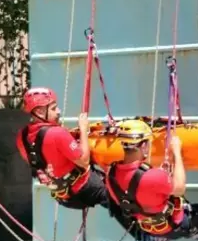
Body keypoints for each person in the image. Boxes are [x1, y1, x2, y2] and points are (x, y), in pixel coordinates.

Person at [15, 87, 132, 232]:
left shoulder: (21, 137)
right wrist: (83, 129)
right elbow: (84, 160)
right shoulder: (57, 133)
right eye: (53, 108)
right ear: (39, 112)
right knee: (120, 198)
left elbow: (43, 158)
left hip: (62, 195)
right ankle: (145, 237)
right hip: (84, 188)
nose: (58, 111)